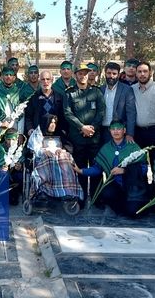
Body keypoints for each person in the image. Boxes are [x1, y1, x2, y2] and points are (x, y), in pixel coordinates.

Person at [72, 120, 147, 217]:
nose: (116, 131)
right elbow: (97, 169)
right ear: (109, 131)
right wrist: (80, 171)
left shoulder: (133, 147)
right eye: (113, 129)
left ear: (124, 130)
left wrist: (125, 171)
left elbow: (144, 169)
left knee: (133, 212)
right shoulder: (106, 148)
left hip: (133, 188)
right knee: (106, 193)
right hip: (116, 185)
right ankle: (120, 208)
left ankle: (131, 206)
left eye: (119, 129)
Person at [64, 64, 105, 204]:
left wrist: (91, 128)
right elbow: (68, 113)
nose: (83, 76)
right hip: (77, 138)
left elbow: (101, 112)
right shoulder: (69, 93)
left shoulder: (96, 92)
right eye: (80, 74)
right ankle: (80, 198)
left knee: (96, 168)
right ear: (75, 75)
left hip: (94, 138)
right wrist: (82, 127)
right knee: (79, 168)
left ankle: (96, 198)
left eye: (85, 74)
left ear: (89, 75)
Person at [132, 61, 155, 166]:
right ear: (136, 73)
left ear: (150, 73)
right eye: (139, 72)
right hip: (137, 133)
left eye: (145, 71)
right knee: (139, 165)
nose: (142, 74)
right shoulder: (132, 89)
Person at [25, 70, 69, 145]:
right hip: (38, 134)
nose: (45, 82)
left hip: (56, 135)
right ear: (39, 80)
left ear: (52, 80)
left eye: (48, 79)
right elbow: (28, 116)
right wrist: (30, 129)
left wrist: (64, 130)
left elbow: (64, 116)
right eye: (43, 79)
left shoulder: (60, 97)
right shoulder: (33, 97)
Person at [100, 62, 136, 145]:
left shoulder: (126, 90)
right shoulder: (100, 89)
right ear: (105, 73)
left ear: (118, 74)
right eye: (109, 73)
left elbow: (131, 113)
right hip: (103, 131)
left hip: (119, 131)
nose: (111, 76)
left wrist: (129, 134)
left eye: (114, 74)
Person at [0, 66, 21, 132]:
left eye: (11, 75)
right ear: (1, 76)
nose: (8, 77)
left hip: (14, 130)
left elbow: (21, 113)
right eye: (6, 75)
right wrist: (0, 124)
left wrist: (20, 132)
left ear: (14, 77)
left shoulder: (17, 92)